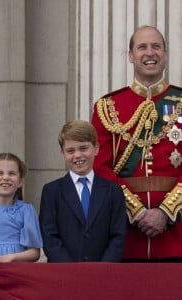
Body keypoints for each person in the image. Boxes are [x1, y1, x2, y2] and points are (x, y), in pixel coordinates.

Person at [91, 25, 182, 261]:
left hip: (177, 236)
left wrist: (166, 211)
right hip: (126, 235)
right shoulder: (107, 107)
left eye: (156, 47)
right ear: (131, 56)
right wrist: (138, 212)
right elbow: (99, 167)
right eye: (142, 47)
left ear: (165, 53)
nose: (149, 53)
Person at [39, 120, 126, 262]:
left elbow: (118, 235)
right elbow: (49, 237)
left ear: (96, 148)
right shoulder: (52, 191)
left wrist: (103, 268)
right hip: (64, 274)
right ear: (63, 153)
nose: (77, 155)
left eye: (83, 148)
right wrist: (71, 270)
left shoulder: (113, 191)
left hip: (103, 273)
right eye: (70, 151)